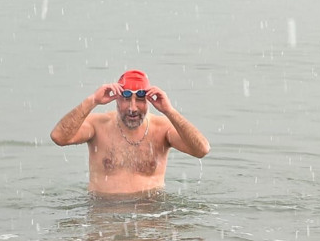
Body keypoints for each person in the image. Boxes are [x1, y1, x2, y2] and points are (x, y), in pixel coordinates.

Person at [50, 69, 210, 194]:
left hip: (151, 217)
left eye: (140, 99)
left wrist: (170, 111)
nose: (133, 108)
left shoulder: (163, 128)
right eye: (126, 99)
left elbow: (201, 149)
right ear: (115, 99)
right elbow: (59, 137)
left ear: (149, 100)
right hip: (104, 215)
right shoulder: (98, 125)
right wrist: (92, 101)